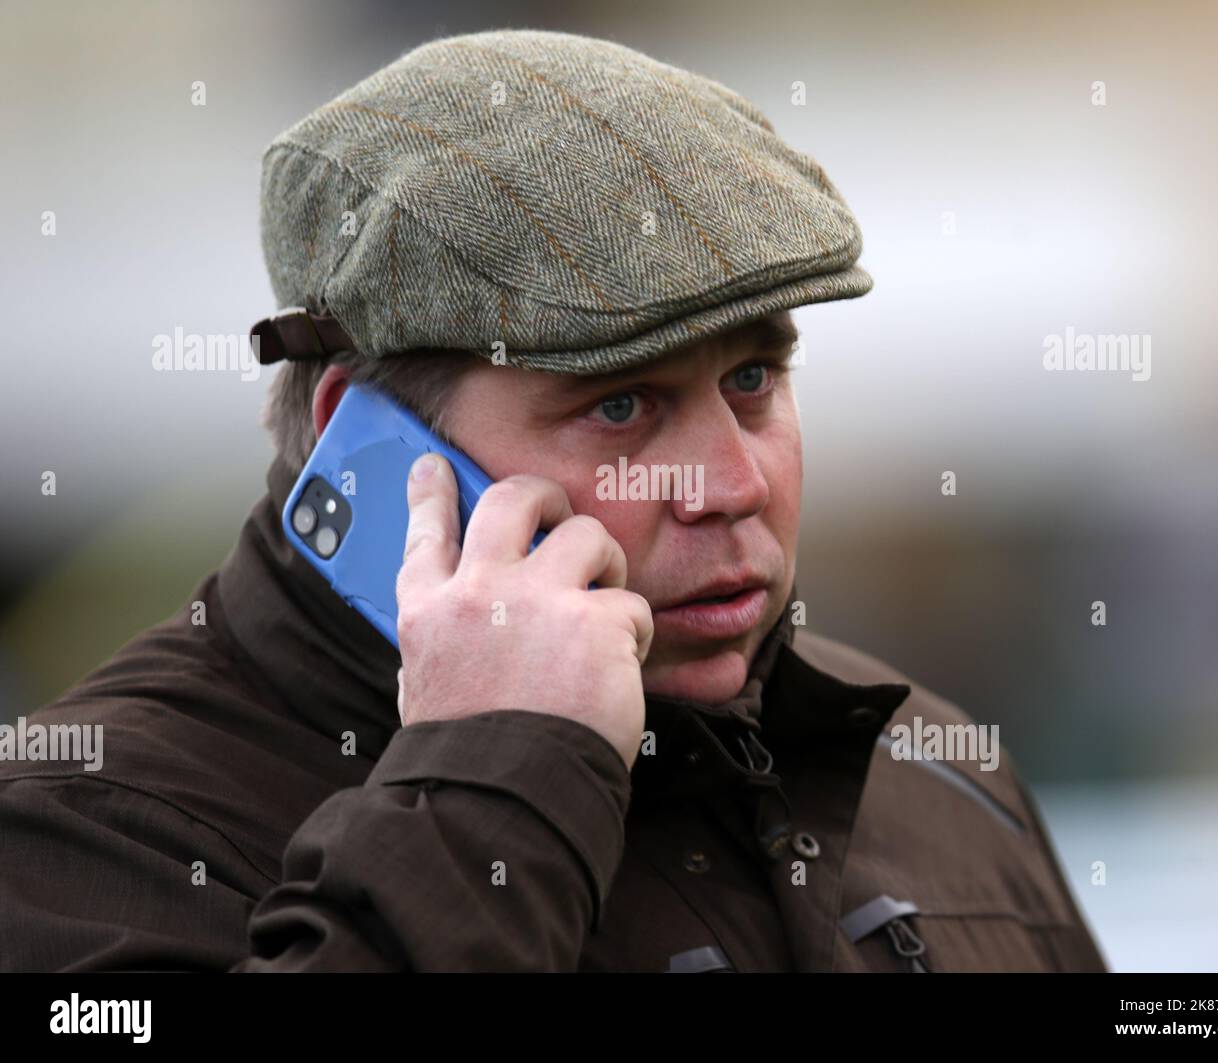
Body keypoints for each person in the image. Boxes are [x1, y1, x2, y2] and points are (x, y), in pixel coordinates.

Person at [0, 29, 1106, 972]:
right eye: (621, 407)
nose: (732, 486)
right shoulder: (83, 823)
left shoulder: (929, 759)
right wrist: (496, 783)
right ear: (362, 441)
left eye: (753, 379)